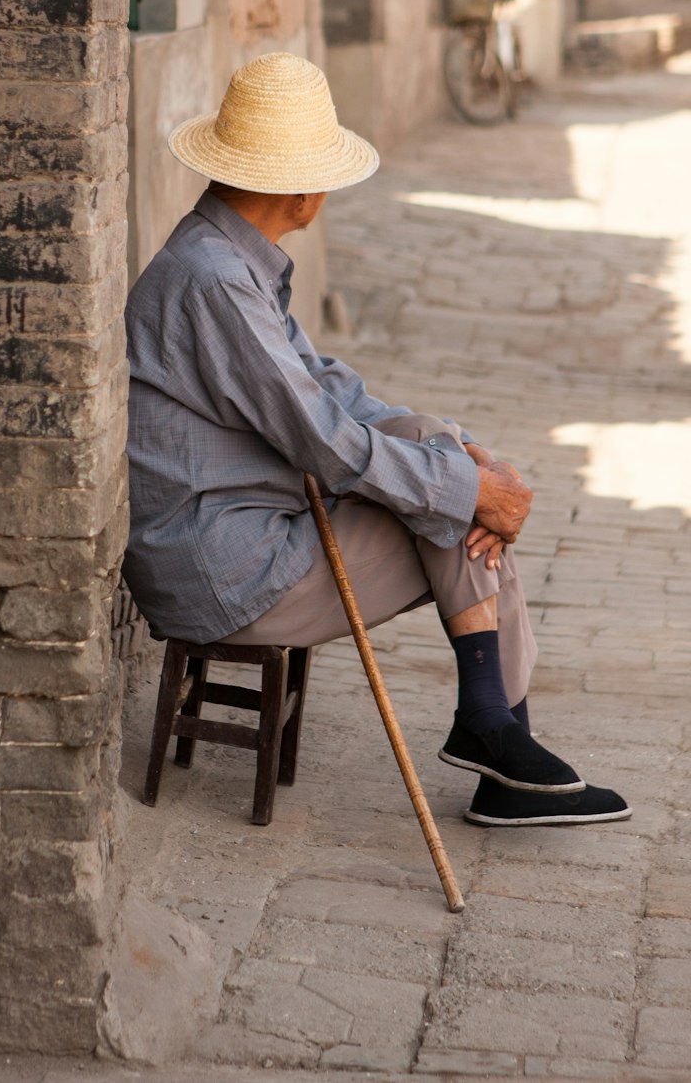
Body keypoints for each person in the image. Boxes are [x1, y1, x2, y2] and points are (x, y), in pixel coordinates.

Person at [124, 52, 629, 827]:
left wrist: (459, 453)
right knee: (458, 512)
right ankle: (496, 735)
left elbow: (329, 386)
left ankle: (495, 730)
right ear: (299, 186)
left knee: (443, 469)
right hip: (224, 568)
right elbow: (325, 441)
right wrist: (469, 492)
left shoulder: (230, 259)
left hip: (249, 535)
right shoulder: (215, 279)